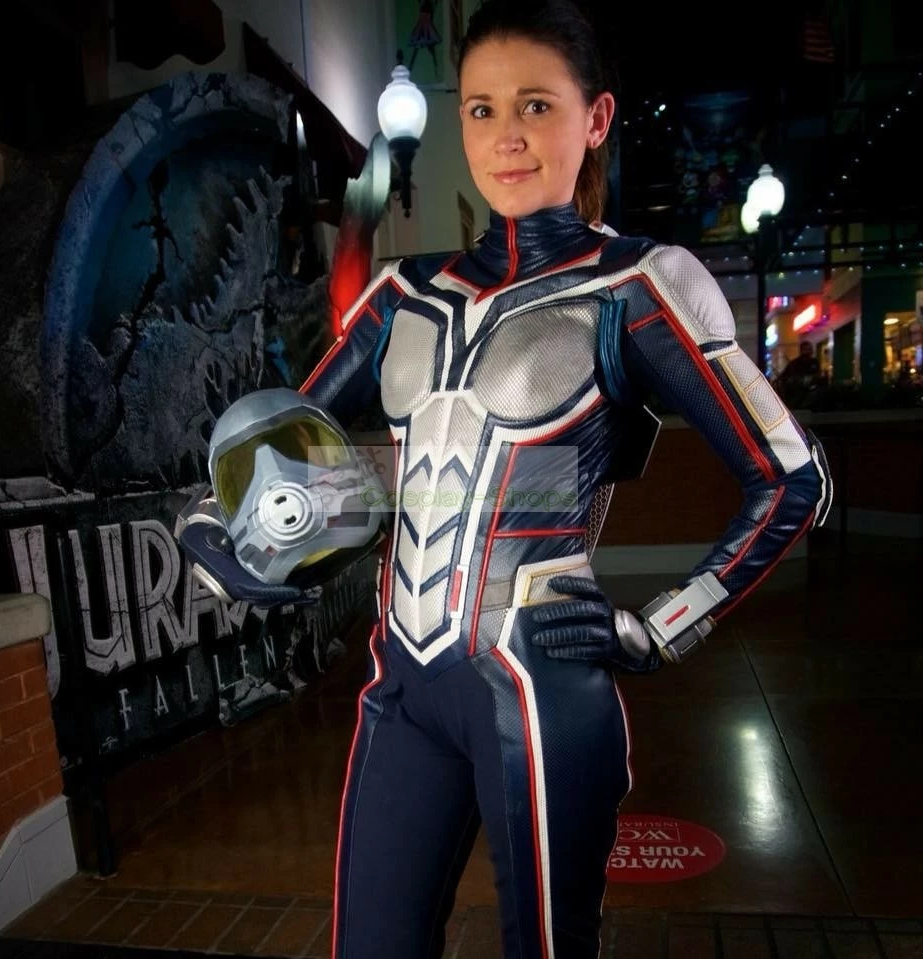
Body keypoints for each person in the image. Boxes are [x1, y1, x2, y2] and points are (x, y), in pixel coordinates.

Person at [292, 1, 832, 956]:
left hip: (538, 686)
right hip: (402, 681)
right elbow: (285, 448)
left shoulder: (638, 287)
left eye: (536, 105)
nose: (507, 137)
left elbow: (792, 479)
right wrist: (244, 530)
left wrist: (658, 625)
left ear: (596, 117)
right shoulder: (402, 295)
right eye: (483, 109)